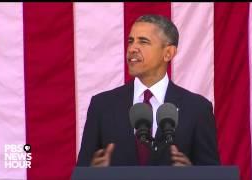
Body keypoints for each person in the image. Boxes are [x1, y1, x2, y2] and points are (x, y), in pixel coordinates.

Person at [76, 14, 220, 167]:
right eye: (131, 41)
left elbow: (212, 171)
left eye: (143, 42)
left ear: (168, 53)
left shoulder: (197, 108)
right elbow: (82, 170)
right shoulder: (102, 105)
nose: (132, 48)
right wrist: (93, 173)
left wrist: (193, 175)